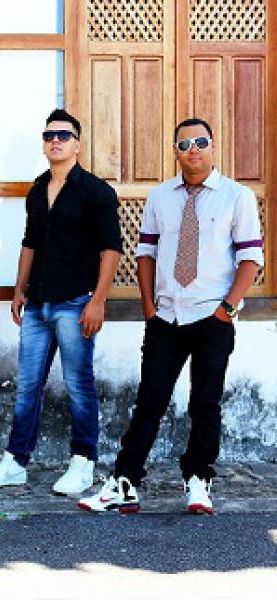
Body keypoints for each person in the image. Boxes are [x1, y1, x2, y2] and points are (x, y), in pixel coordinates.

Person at [79, 118, 263, 514]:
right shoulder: (160, 197)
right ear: (175, 151)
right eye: (184, 144)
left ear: (213, 146)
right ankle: (125, 482)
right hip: (166, 318)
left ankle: (198, 480)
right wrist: (149, 307)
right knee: (149, 401)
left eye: (200, 142)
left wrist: (227, 308)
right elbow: (146, 254)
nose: (192, 149)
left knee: (205, 403)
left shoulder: (238, 197)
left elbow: (250, 258)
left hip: (212, 317)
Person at [0, 109, 121, 495]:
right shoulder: (38, 189)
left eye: (63, 135)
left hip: (76, 303)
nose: (55, 141)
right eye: (49, 135)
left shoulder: (96, 192)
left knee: (78, 384)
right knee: (27, 386)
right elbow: (30, 243)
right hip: (38, 304)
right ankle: (15, 462)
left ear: (77, 144)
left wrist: (98, 301)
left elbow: (111, 250)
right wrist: (19, 289)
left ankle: (83, 462)